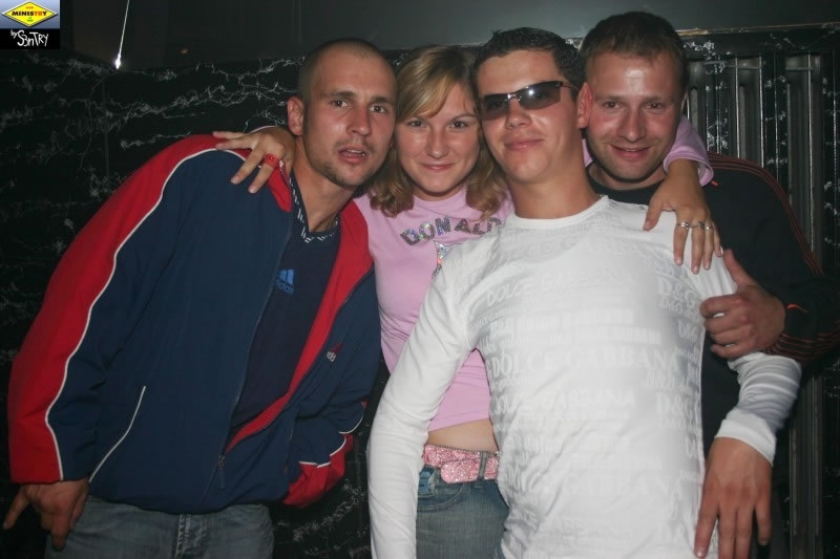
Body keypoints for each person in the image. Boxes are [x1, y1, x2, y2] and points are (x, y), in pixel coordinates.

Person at [217, 44, 720, 558]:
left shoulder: (519, 185)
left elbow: (633, 131)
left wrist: (684, 170)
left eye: (458, 124)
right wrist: (284, 137)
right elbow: (314, 165)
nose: (437, 146)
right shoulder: (367, 209)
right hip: (453, 481)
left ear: (484, 128)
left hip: (554, 476)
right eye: (417, 123)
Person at [367, 27, 802, 559]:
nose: (516, 116)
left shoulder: (673, 232)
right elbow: (397, 427)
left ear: (582, 106)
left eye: (537, 95)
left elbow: (769, 359)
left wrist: (748, 432)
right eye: (496, 104)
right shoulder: (467, 268)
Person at [3, 38, 394, 558]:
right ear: (297, 116)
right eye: (340, 101)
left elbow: (344, 401)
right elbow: (82, 307)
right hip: (111, 510)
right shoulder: (205, 175)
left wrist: (292, 474)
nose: (361, 125)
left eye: (379, 108)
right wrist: (52, 458)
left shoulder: (361, 255)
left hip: (240, 521)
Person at [578, 12, 840, 559]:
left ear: (683, 106)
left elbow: (827, 305)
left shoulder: (741, 190)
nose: (632, 130)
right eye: (612, 104)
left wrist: (780, 318)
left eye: (655, 105)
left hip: (725, 502)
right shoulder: (548, 198)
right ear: (583, 102)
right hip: (584, 507)